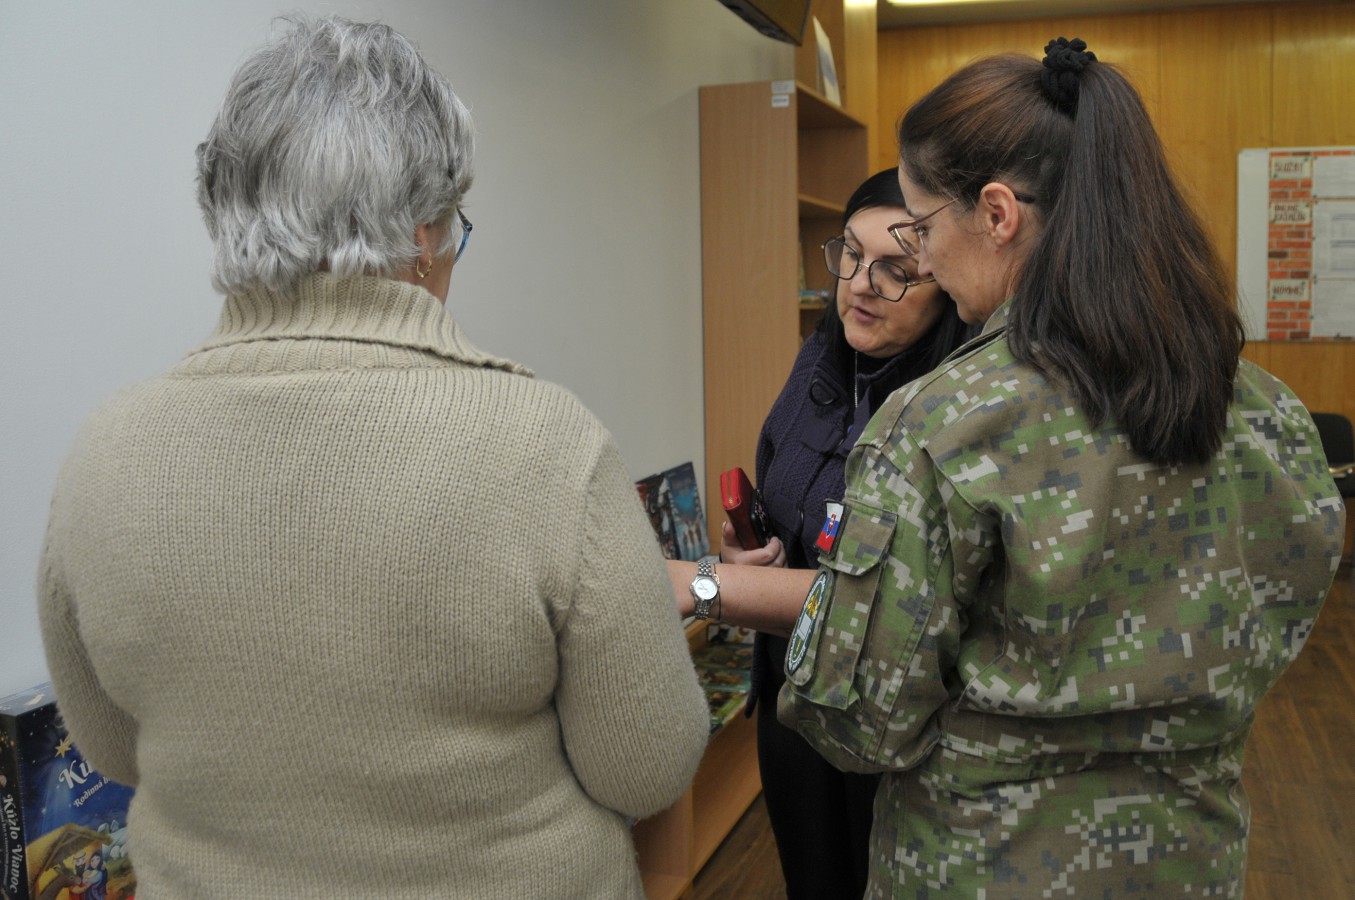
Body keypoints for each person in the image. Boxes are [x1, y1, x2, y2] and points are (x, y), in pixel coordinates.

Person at [36, 16, 708, 899]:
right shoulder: (547, 446)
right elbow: (646, 766)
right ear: (424, 235)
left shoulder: (103, 452)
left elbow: (117, 750)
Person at [776, 37, 1345, 897]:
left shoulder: (943, 422)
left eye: (922, 229)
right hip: (1188, 862)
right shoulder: (1262, 407)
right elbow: (1282, 616)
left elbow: (860, 721)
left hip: (980, 865)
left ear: (997, 213)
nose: (920, 261)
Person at [671, 169, 971, 898]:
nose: (860, 285)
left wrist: (710, 585)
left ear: (948, 287)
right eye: (851, 255)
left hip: (892, 722)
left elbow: (877, 602)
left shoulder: (955, 408)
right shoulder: (820, 357)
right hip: (791, 697)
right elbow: (787, 496)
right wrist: (749, 551)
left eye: (895, 270)